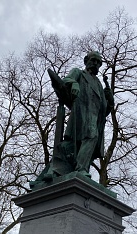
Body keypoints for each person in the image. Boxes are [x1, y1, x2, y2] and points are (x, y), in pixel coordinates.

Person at [32, 51, 114, 186]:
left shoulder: (99, 84)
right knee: (90, 136)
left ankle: (56, 172)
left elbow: (103, 111)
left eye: (99, 62)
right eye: (93, 60)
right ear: (86, 60)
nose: (96, 64)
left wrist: (109, 100)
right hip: (81, 116)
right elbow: (65, 81)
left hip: (95, 120)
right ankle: (81, 169)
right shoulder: (79, 73)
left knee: (68, 148)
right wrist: (73, 84)